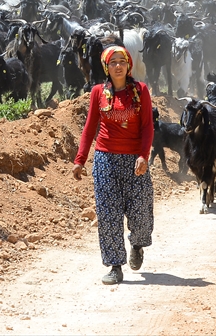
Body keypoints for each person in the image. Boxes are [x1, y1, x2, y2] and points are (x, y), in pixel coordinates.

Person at [72, 45, 155, 285]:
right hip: (105, 158)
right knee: (108, 214)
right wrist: (80, 159)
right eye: (112, 62)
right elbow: (89, 128)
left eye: (122, 61)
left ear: (129, 65)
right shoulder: (98, 91)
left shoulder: (141, 91)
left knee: (140, 212)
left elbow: (148, 126)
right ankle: (115, 266)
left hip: (135, 160)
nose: (117, 66)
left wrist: (143, 156)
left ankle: (137, 245)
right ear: (106, 67)